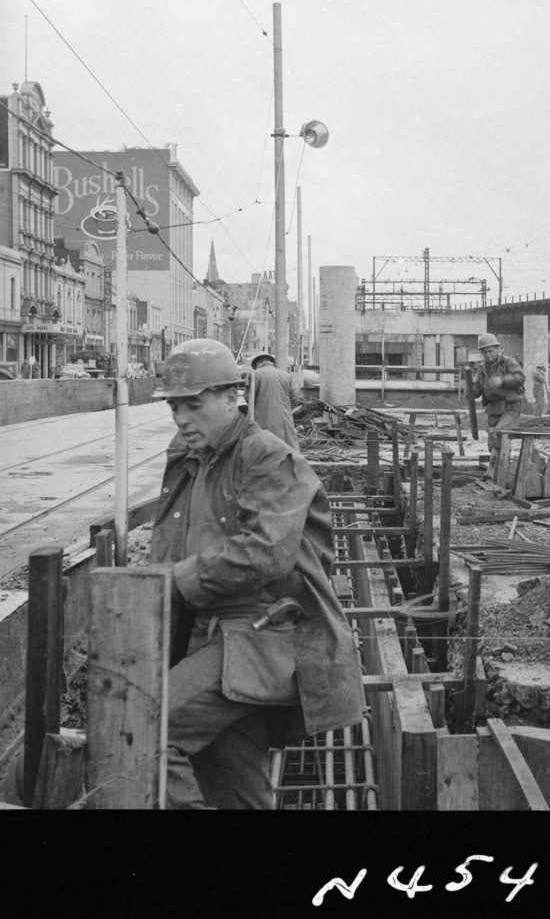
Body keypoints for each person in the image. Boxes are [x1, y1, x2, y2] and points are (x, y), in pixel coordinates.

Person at [150, 338, 366, 809]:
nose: (182, 418)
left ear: (233, 397)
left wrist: (171, 581)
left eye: (194, 404)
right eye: (174, 407)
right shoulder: (193, 460)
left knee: (146, 729)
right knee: (229, 780)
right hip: (215, 641)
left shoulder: (265, 456)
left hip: (263, 638)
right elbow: (173, 540)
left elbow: (265, 552)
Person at [470, 333, 525, 474]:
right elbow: (477, 390)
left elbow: (520, 378)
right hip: (493, 407)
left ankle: (502, 472)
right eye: (484, 352)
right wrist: (471, 389)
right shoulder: (482, 368)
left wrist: (502, 380)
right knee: (492, 443)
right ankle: (498, 471)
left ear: (497, 349)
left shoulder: (508, 362)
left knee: (500, 434)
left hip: (510, 406)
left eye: (490, 351)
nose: (488, 355)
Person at [248, 351, 301, 450]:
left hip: (263, 419)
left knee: (264, 449)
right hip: (285, 420)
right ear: (271, 362)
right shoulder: (286, 376)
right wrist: (286, 410)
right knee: (288, 448)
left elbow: (249, 398)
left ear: (257, 363)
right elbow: (294, 399)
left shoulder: (255, 375)